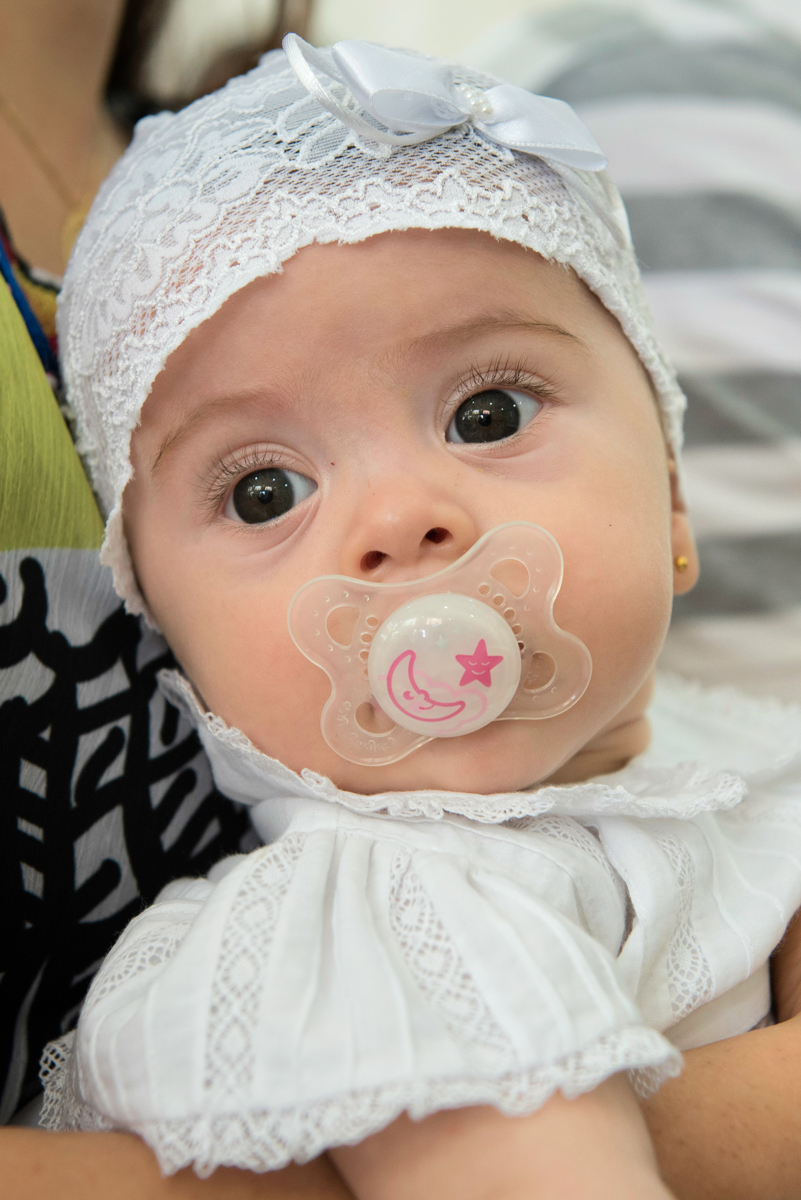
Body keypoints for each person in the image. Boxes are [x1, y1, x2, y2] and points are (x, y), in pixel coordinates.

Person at [35, 35, 801, 1200]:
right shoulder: (375, 923)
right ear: (172, 646)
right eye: (263, 491)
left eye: (488, 411)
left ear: (677, 500)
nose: (398, 519)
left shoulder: (745, 759)